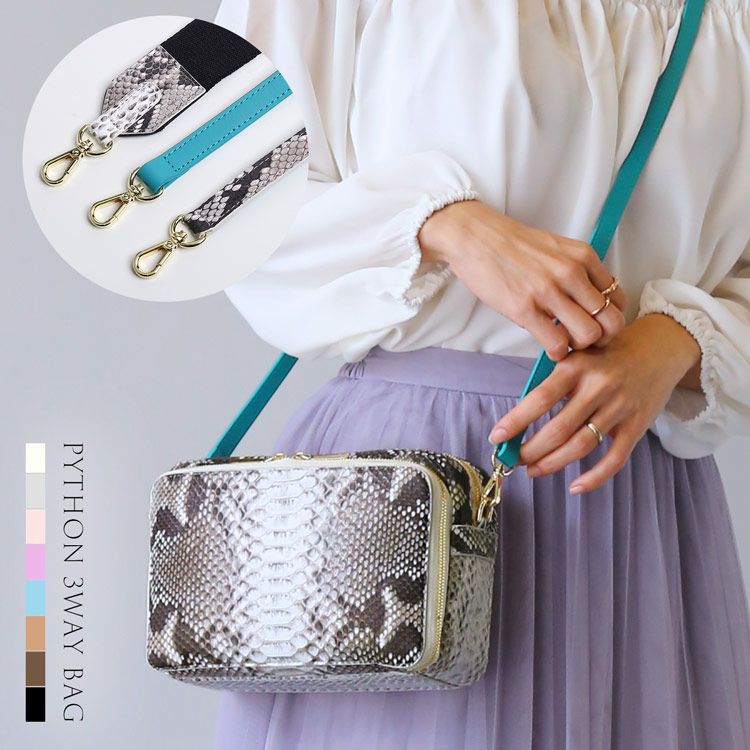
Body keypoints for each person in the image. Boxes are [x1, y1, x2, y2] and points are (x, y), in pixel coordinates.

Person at [213, 1, 750, 747]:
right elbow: (211, 175)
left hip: (638, 494)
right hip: (412, 490)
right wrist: (444, 227)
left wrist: (676, 342)